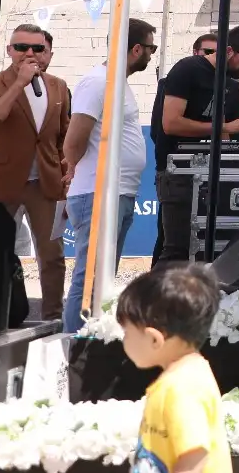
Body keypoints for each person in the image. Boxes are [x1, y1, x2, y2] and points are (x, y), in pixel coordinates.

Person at [62, 18, 156, 331]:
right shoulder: (97, 82)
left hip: (118, 192)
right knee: (90, 279)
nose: (152, 55)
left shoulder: (117, 82)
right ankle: (74, 344)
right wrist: (73, 170)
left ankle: (89, 342)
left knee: (102, 280)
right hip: (99, 191)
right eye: (151, 48)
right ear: (136, 49)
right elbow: (74, 140)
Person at [0, 24, 70, 323]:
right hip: (1, 182)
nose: (30, 53)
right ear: (9, 50)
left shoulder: (57, 86)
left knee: (52, 256)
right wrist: (18, 84)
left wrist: (67, 172)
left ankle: (53, 319)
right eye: (21, 47)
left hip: (45, 182)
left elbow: (62, 135)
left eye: (37, 48)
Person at [151, 27, 239, 265]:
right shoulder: (188, 69)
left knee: (210, 250)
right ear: (230, 50)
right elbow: (170, 123)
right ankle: (157, 290)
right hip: (179, 173)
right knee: (176, 250)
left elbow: (228, 135)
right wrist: (224, 127)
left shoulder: (229, 84)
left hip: (212, 174)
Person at [118, 262, 232, 473]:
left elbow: (195, 456)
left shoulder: (180, 388)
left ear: (154, 339)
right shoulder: (190, 375)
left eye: (127, 332)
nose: (124, 340)